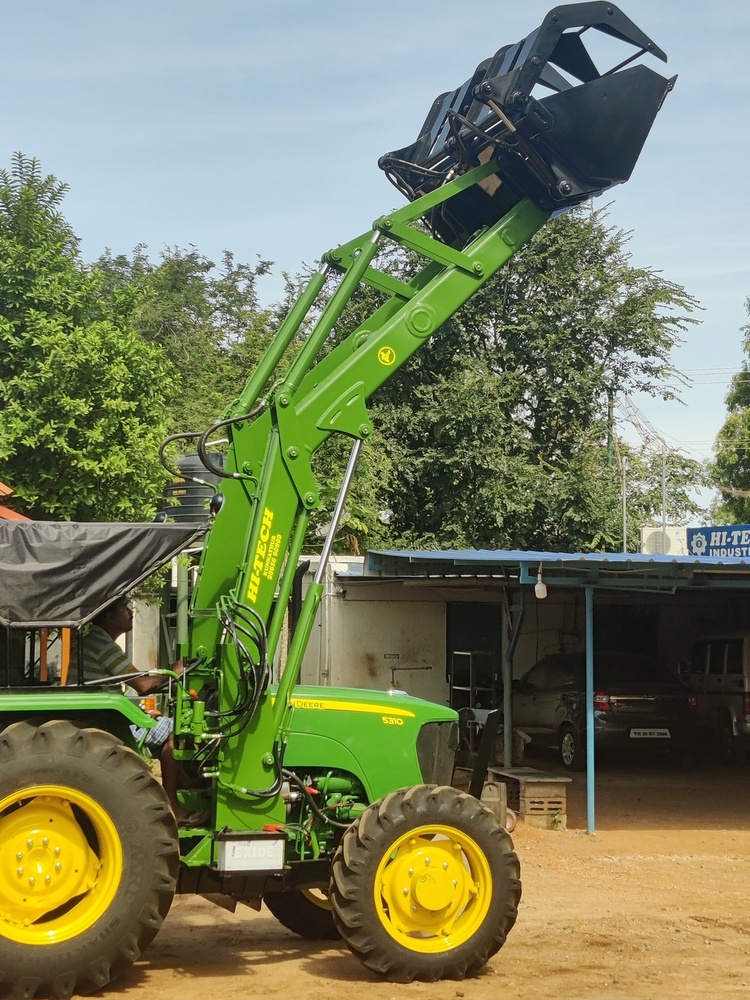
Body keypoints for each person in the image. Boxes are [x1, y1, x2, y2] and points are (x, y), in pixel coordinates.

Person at [78, 595, 199, 826]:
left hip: (103, 715)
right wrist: (174, 671)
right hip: (107, 721)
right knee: (177, 730)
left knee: (162, 729)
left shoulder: (94, 641)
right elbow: (143, 685)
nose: (131, 611)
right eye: (124, 608)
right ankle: (173, 806)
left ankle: (188, 787)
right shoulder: (102, 644)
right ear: (110, 616)